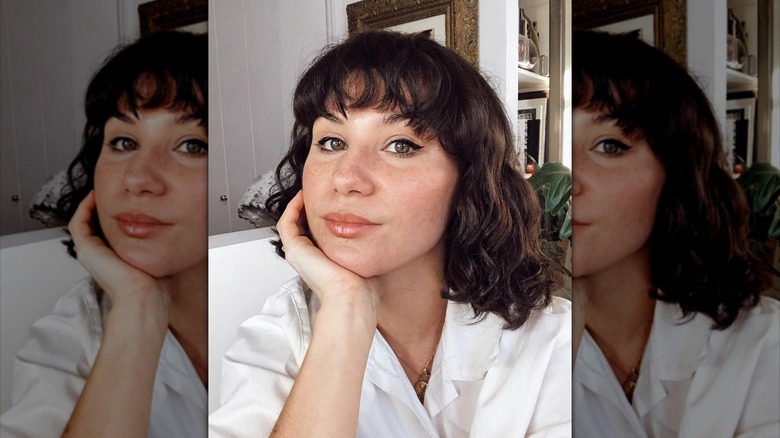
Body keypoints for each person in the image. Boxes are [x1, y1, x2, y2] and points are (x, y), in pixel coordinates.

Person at [209, 30, 571, 437]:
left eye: (400, 146)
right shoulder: (278, 335)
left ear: (468, 180)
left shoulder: (555, 343)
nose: (346, 178)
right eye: (331, 142)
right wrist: (347, 309)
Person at [571, 30, 780, 437]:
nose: (569, 180)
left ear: (676, 172)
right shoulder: (512, 346)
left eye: (610, 146)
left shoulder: (762, 345)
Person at [0, 31, 208, 437]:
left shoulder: (277, 318)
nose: (138, 179)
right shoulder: (73, 333)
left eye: (192, 146)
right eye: (124, 142)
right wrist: (138, 305)